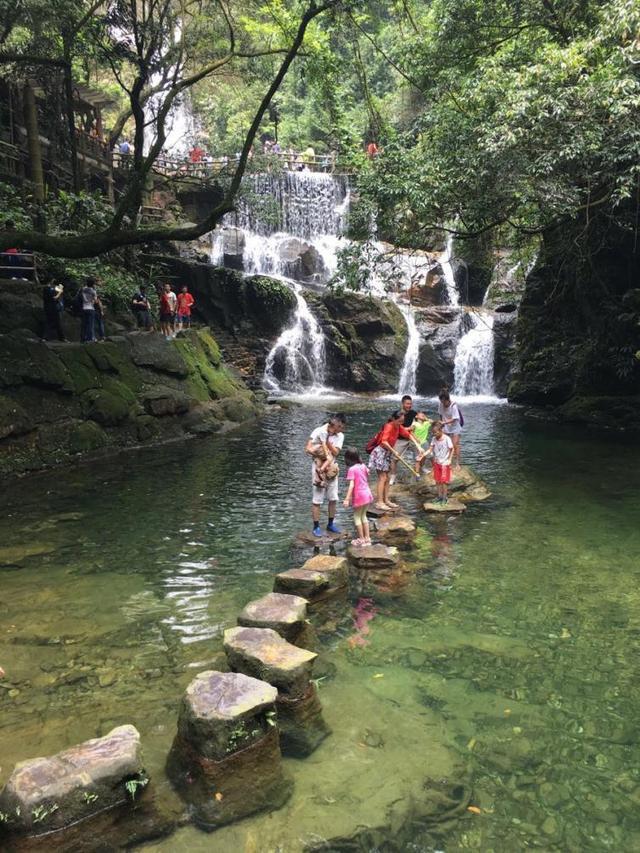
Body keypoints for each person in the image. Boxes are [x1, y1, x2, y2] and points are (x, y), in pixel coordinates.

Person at [368, 410, 424, 511]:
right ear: (394, 419)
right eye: (399, 421)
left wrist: (418, 446)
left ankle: (386, 500)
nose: (400, 424)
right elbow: (384, 441)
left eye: (402, 422)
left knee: (388, 478)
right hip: (380, 453)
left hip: (388, 453)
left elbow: (408, 434)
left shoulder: (398, 426)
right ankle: (380, 502)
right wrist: (394, 451)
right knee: (382, 477)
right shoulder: (389, 426)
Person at [305, 414, 346, 538]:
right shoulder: (319, 430)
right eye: (341, 427)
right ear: (336, 424)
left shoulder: (340, 436)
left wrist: (326, 441)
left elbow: (336, 452)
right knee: (317, 499)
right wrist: (316, 452)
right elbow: (307, 448)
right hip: (317, 465)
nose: (342, 429)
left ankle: (330, 524)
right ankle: (316, 526)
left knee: (333, 498)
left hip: (332, 467)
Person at [343, 447, 373, 546]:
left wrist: (347, 499)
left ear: (348, 458)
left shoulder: (352, 469)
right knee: (363, 516)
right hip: (367, 493)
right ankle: (367, 538)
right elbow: (368, 473)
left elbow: (351, 485)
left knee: (357, 517)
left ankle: (361, 539)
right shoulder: (363, 465)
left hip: (359, 495)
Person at [423, 420, 454, 503]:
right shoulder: (434, 439)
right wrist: (422, 455)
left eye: (435, 432)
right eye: (432, 432)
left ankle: (445, 497)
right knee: (437, 481)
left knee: (444, 481)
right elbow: (430, 449)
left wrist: (450, 459)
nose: (434, 434)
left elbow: (452, 449)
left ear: (441, 430)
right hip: (437, 463)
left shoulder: (447, 439)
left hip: (444, 463)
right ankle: (439, 496)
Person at [390, 394, 417, 485]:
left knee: (421, 454)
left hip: (411, 438)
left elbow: (420, 420)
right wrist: (407, 429)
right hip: (400, 439)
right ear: (402, 404)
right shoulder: (396, 414)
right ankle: (393, 476)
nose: (409, 405)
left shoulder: (413, 413)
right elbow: (392, 426)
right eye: (407, 404)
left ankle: (419, 471)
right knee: (394, 459)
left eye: (410, 404)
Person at [438, 386, 462, 466]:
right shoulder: (441, 404)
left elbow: (455, 418)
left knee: (455, 445)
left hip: (455, 427)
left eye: (444, 402)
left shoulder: (453, 405)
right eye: (441, 401)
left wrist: (444, 423)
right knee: (446, 444)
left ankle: (457, 463)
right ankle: (447, 461)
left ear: (448, 399)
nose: (443, 403)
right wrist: (441, 425)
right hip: (446, 427)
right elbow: (441, 414)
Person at [80, 276, 98, 343]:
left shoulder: (83, 289)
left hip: (84, 308)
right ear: (93, 284)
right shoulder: (93, 291)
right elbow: (95, 301)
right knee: (90, 324)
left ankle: (82, 338)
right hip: (90, 308)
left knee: (83, 324)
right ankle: (89, 339)